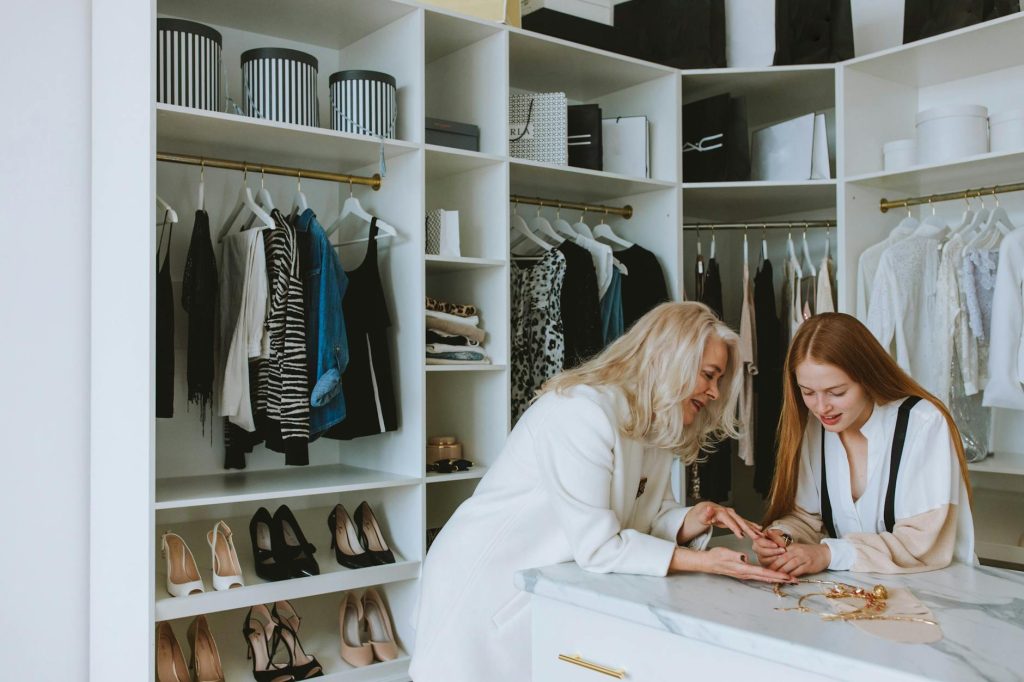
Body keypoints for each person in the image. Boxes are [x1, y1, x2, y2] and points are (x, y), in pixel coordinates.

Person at [410, 302, 790, 682]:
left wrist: (694, 518)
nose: (714, 392)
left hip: (541, 587)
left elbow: (646, 517)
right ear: (671, 358)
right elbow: (599, 546)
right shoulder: (581, 412)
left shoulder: (654, 421)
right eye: (708, 375)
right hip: (485, 585)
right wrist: (707, 562)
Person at [754, 313, 976, 576]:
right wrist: (783, 537)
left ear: (867, 378)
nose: (821, 407)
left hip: (937, 588)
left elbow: (922, 544)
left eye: (837, 392)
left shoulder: (924, 424)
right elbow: (807, 518)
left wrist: (828, 554)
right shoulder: (815, 428)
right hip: (854, 591)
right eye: (808, 392)